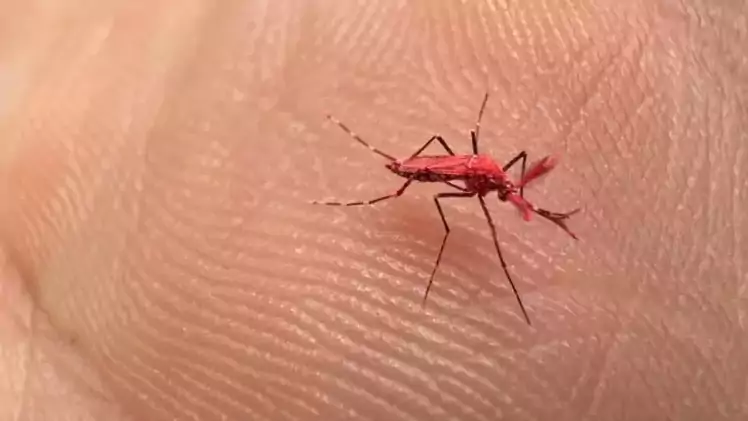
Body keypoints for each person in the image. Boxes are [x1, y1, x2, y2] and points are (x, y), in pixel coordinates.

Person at [1, 2, 744, 420]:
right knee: (465, 208)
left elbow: (503, 176)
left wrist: (525, 194)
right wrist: (436, 184)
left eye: (513, 187)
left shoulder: (496, 172)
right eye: (514, 187)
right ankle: (383, 187)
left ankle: (399, 180)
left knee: (478, 178)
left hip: (468, 167)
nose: (512, 189)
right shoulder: (482, 179)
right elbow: (483, 180)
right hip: (444, 171)